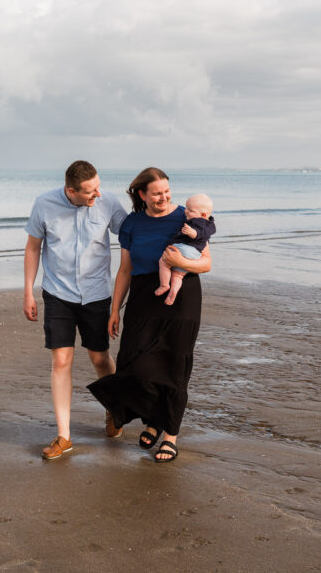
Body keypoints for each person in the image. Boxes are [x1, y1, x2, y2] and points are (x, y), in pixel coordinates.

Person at [87, 168, 211, 463]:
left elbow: (206, 263)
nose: (164, 197)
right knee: (134, 361)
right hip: (143, 296)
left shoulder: (187, 216)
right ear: (142, 195)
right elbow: (125, 269)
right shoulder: (132, 225)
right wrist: (114, 309)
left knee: (174, 363)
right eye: (157, 193)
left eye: (166, 191)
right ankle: (153, 419)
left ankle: (169, 435)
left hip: (182, 297)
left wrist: (180, 261)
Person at [24, 160, 128, 460]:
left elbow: (131, 235)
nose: (97, 194)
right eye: (89, 191)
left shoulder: (107, 201)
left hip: (96, 294)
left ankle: (114, 408)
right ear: (71, 190)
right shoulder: (44, 204)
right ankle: (64, 436)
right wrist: (28, 291)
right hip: (58, 294)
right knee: (61, 360)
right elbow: (33, 247)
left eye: (98, 187)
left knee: (99, 358)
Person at [154, 194, 215, 306]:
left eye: (190, 210)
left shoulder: (198, 222)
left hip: (186, 249)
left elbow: (199, 233)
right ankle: (173, 291)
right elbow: (206, 233)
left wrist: (192, 233)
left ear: (203, 214)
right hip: (195, 254)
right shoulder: (209, 224)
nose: (186, 211)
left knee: (163, 261)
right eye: (186, 208)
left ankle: (164, 285)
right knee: (178, 275)